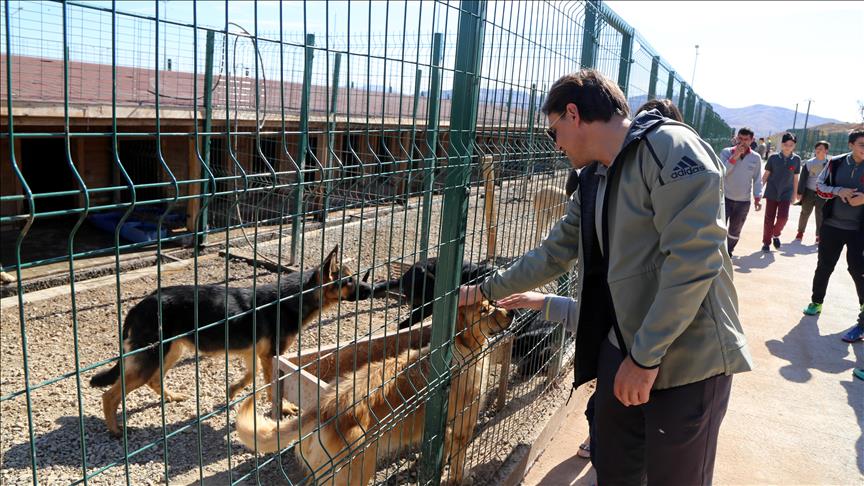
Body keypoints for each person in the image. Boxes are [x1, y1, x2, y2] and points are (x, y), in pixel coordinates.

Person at [459, 69, 752, 485]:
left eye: (552, 131)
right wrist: (486, 289)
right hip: (626, 349)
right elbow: (553, 253)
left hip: (688, 359)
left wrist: (645, 357)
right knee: (615, 469)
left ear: (573, 114)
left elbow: (694, 260)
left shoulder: (671, 149)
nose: (556, 144)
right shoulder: (594, 178)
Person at [801, 129, 864, 344]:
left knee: (858, 269)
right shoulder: (835, 163)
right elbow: (819, 187)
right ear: (850, 145)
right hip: (832, 225)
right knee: (825, 265)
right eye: (862, 144)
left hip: (859, 230)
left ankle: (863, 313)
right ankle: (816, 301)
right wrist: (839, 191)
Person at [719, 127, 763, 255]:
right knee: (720, 228)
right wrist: (735, 156)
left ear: (751, 140)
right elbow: (722, 172)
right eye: (740, 138)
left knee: (734, 231)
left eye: (746, 139)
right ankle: (718, 252)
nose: (742, 142)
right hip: (724, 198)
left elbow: (757, 179)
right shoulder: (726, 152)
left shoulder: (756, 158)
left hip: (743, 202)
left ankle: (729, 251)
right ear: (736, 138)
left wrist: (757, 197)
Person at [761, 132, 802, 251]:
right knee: (769, 218)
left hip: (786, 193)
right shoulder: (773, 158)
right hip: (772, 192)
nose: (788, 147)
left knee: (783, 218)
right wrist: (759, 189)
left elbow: (795, 178)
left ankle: (775, 234)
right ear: (782, 144)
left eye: (791, 145)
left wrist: (794, 194)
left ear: (794, 146)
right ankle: (766, 243)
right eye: (786, 144)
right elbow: (766, 175)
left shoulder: (796, 159)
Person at [795, 140, 831, 243]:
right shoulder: (809, 162)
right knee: (805, 212)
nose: (819, 150)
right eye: (817, 148)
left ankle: (819, 235)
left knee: (820, 214)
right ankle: (800, 232)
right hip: (809, 192)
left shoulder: (829, 164)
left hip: (822, 193)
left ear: (826, 151)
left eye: (822, 149)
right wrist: (800, 192)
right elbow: (803, 178)